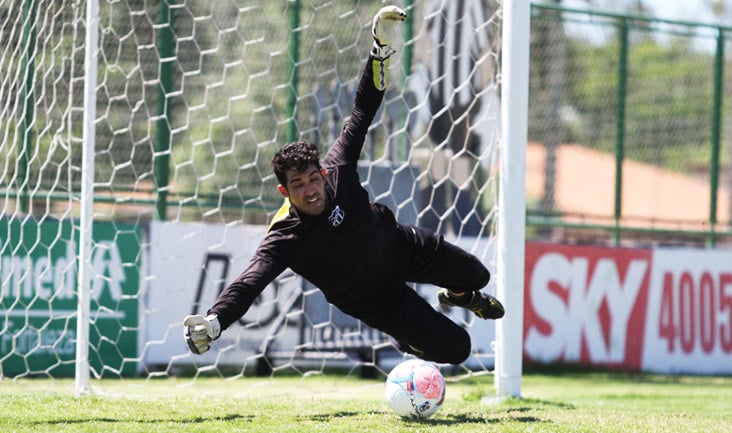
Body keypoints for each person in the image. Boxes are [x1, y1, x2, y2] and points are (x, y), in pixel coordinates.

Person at [183, 5, 504, 365]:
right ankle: (407, 341)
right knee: (456, 349)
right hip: (377, 300)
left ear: (322, 173)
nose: (310, 189)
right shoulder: (284, 238)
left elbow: (363, 111)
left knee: (478, 274)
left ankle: (460, 294)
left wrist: (379, 50)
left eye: (312, 178)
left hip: (403, 247)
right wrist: (214, 321)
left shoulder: (337, 166)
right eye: (298, 185)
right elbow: (248, 284)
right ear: (284, 193)